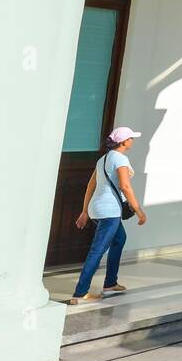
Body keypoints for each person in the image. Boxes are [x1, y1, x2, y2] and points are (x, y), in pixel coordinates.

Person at [69, 126, 147, 305]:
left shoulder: (103, 159)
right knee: (97, 250)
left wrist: (85, 211)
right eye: (131, 138)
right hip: (109, 211)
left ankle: (110, 283)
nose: (132, 140)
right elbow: (125, 187)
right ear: (124, 141)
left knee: (120, 239)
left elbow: (90, 186)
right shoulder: (120, 159)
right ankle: (79, 293)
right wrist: (139, 211)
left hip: (98, 208)